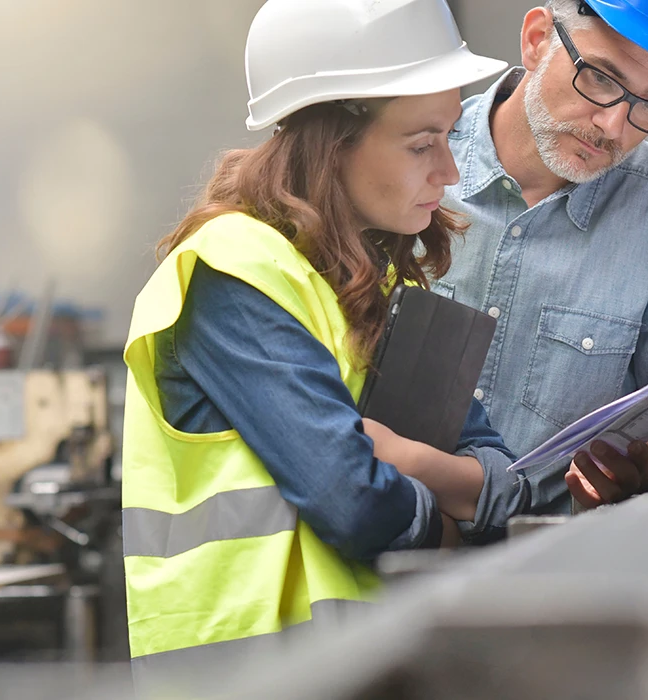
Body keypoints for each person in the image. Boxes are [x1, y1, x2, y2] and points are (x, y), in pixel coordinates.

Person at [120, 0, 510, 682]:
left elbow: (499, 478)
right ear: (332, 146)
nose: (449, 172)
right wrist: (449, 525)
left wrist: (410, 463)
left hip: (360, 669)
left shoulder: (382, 285)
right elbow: (353, 500)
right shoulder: (231, 273)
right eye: (422, 143)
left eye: (449, 137)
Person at [419, 0, 648, 539]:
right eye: (599, 77)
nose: (613, 125)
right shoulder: (405, 162)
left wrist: (641, 461)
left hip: (555, 585)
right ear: (536, 38)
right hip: (365, 571)